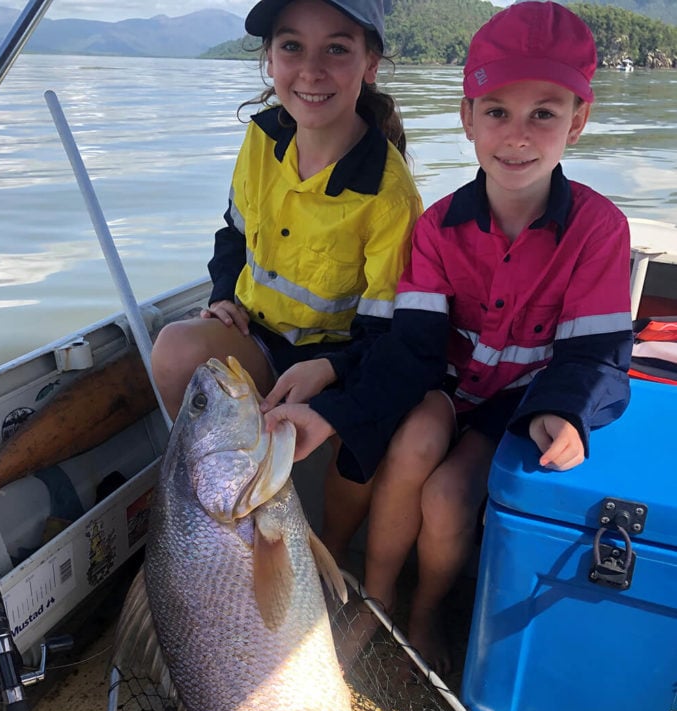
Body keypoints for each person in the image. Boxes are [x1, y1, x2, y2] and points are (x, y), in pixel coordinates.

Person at [262, 0, 635, 669]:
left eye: (542, 114)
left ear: (576, 122)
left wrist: (565, 412)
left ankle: (425, 614)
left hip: (518, 398)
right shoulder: (435, 228)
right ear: (466, 119)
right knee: (410, 447)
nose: (516, 135)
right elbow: (411, 350)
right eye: (495, 111)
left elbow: (594, 355)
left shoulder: (598, 230)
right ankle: (373, 606)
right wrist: (331, 412)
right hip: (445, 382)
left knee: (446, 493)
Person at [151, 0, 422, 559]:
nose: (311, 70)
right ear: (269, 61)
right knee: (176, 350)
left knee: (372, 432)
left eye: (337, 49)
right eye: (292, 46)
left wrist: (329, 371)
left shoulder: (389, 194)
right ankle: (223, 524)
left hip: (343, 359)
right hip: (261, 339)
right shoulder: (261, 139)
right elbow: (233, 234)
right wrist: (223, 295)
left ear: (370, 63)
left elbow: (388, 336)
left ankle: (333, 555)